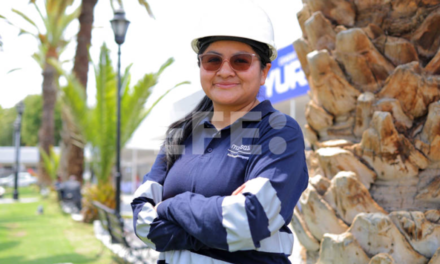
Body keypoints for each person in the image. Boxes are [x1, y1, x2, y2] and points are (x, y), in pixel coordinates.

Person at [131, 2, 309, 263]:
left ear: (264, 72)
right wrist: (212, 226)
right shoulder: (180, 135)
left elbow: (250, 220)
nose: (225, 71)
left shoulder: (279, 132)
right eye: (213, 60)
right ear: (201, 67)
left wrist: (171, 206)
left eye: (241, 61)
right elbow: (141, 219)